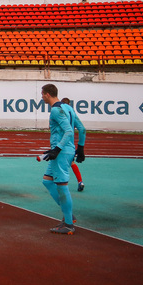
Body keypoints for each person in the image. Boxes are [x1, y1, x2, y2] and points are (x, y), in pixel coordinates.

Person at [40, 84, 86, 235]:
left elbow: (68, 131)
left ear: (47, 94)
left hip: (61, 152)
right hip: (64, 151)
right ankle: (68, 214)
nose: (42, 97)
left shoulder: (56, 110)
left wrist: (57, 149)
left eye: (42, 94)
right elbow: (82, 128)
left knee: (61, 185)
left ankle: (68, 224)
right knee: (47, 181)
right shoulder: (68, 108)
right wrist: (80, 147)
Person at [61, 97, 85, 191]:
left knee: (57, 163)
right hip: (70, 144)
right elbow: (82, 129)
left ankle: (59, 185)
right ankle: (80, 181)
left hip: (61, 142)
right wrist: (81, 147)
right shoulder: (72, 113)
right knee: (71, 162)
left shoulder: (59, 112)